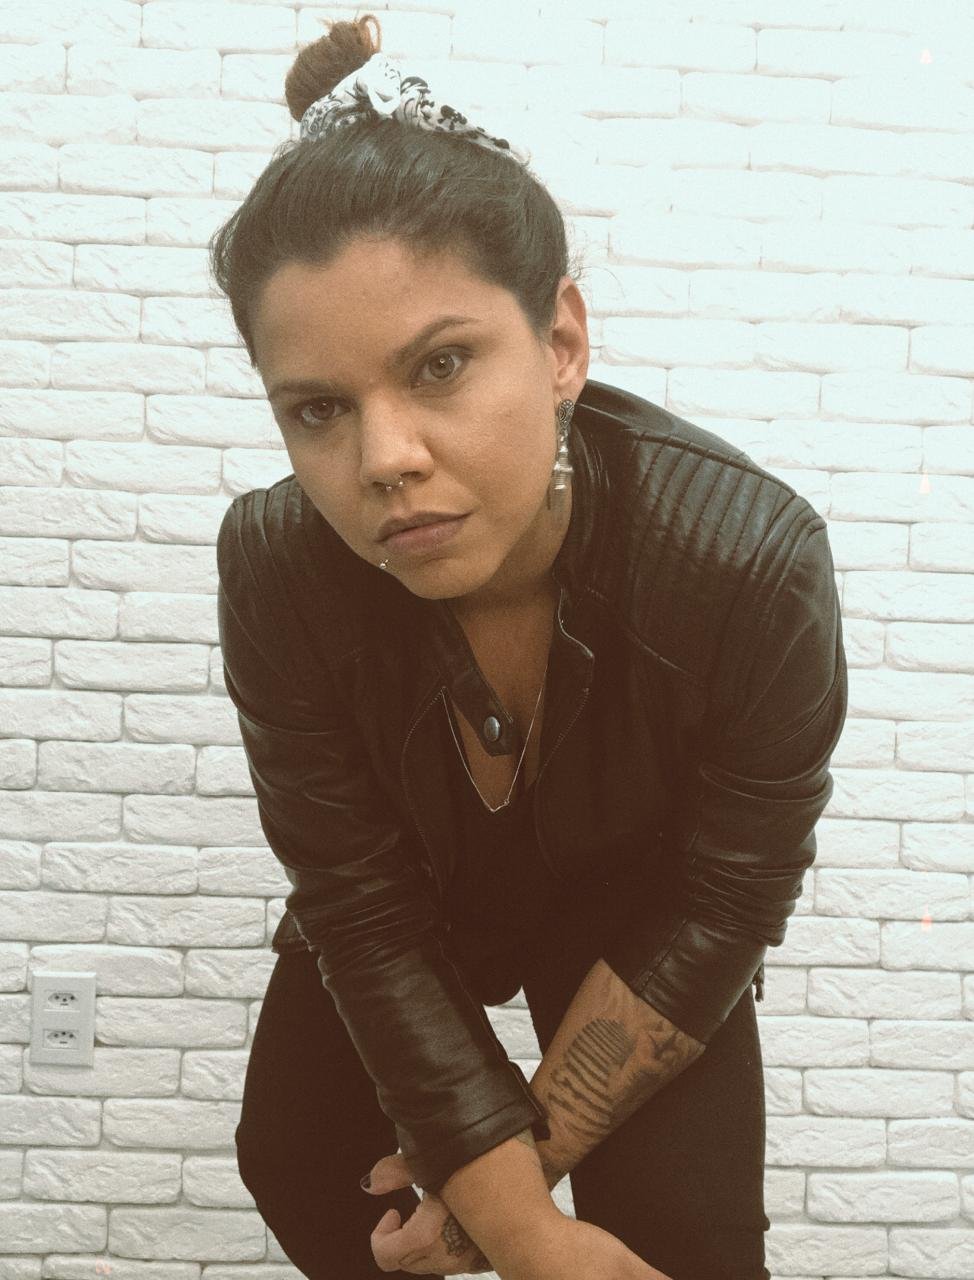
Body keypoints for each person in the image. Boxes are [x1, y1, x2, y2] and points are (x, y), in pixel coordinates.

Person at [210, 13, 848, 1280]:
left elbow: (727, 897)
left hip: (647, 908)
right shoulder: (279, 564)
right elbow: (357, 898)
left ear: (559, 341)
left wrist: (509, 1202)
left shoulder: (745, 562)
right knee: (302, 1159)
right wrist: (513, 1223)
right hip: (406, 890)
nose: (384, 458)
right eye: (318, 407)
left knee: (681, 1238)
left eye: (440, 365)